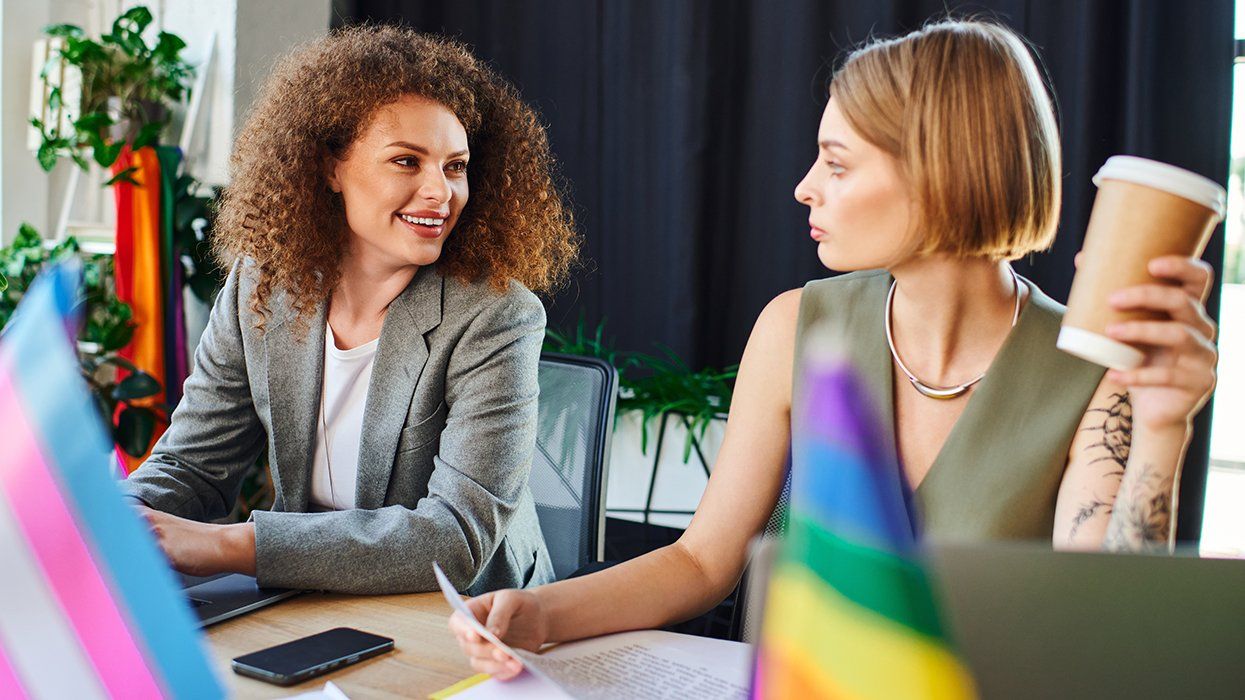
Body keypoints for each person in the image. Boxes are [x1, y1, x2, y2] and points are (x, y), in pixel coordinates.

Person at [450, 20, 1218, 676]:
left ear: (941, 173)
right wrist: (535, 614)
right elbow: (700, 561)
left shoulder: (1093, 365)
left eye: (838, 162)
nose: (804, 187)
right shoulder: (795, 324)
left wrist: (1160, 425)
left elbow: (1106, 632)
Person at [121, 26, 579, 595]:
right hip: (314, 596)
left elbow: (454, 539)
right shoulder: (259, 288)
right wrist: (111, 523)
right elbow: (192, 466)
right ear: (331, 167)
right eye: (408, 162)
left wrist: (228, 546)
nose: (441, 191)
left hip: (470, 617)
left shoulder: (495, 316)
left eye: (455, 166)